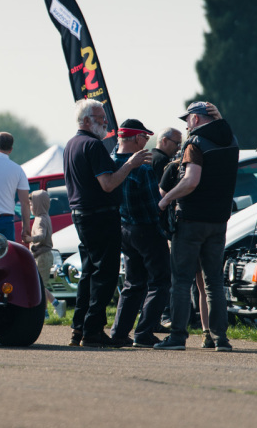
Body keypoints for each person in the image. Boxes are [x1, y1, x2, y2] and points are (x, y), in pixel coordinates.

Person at [63, 100, 151, 347]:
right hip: (99, 215)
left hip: (82, 214)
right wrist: (130, 164)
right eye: (101, 118)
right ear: (86, 120)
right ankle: (92, 331)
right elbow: (108, 184)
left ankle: (79, 329)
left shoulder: (71, 144)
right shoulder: (93, 145)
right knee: (106, 274)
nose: (106, 122)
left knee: (89, 273)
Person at [155, 101, 239, 351]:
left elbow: (191, 180)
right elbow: (222, 131)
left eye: (188, 119)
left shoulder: (195, 144)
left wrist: (165, 200)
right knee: (214, 282)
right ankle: (220, 338)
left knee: (181, 280)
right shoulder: (231, 141)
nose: (187, 125)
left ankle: (177, 336)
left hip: (191, 220)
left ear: (196, 118)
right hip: (219, 221)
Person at [108, 119, 170, 349]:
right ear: (135, 138)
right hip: (146, 229)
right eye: (145, 137)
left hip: (124, 229)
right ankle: (143, 333)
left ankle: (119, 333)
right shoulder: (142, 168)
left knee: (133, 283)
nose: (146, 142)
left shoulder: (111, 163)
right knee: (161, 281)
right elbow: (153, 206)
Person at [21, 189, 55, 307]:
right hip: (42, 255)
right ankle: (56, 303)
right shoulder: (44, 216)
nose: (30, 207)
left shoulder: (40, 220)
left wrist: (30, 239)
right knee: (40, 284)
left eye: (32, 204)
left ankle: (44, 311)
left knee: (40, 286)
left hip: (43, 256)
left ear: (38, 204)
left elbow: (41, 236)